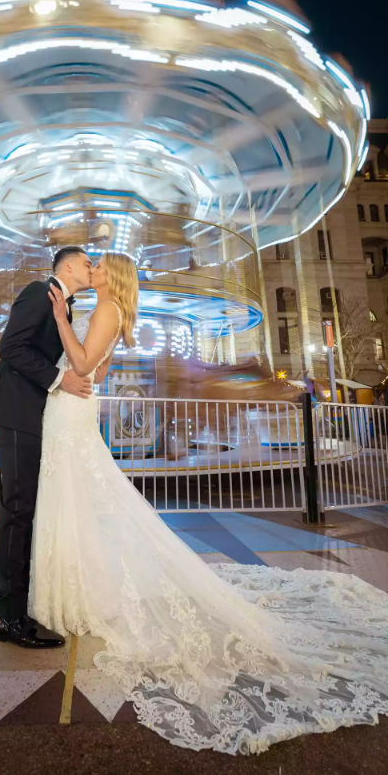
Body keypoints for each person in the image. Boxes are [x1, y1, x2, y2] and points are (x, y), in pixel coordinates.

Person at [28, 251, 388, 756]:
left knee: (75, 497)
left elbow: (86, 364)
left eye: (101, 266)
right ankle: (78, 586)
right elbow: (99, 371)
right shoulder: (111, 313)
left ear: (115, 277)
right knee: (80, 499)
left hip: (71, 412)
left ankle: (75, 589)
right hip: (75, 411)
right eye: (92, 265)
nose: (95, 271)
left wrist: (63, 322)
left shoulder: (104, 311)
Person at [0, 246, 94, 649]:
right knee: (17, 508)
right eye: (87, 263)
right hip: (15, 408)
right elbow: (9, 348)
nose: (91, 268)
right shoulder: (37, 291)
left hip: (31, 411)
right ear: (66, 266)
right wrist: (59, 381)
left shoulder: (64, 304)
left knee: (23, 506)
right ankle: (8, 619)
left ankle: (17, 606)